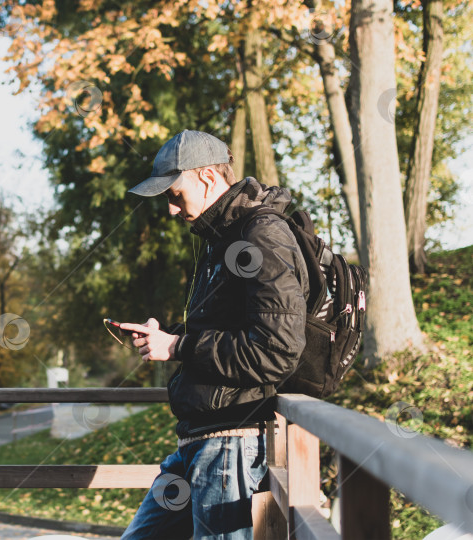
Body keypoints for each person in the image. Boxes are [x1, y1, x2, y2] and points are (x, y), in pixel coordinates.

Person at [119, 130, 308, 539]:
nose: (170, 209)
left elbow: (277, 349)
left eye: (174, 194)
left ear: (205, 177)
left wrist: (178, 346)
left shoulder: (260, 235)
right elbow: (228, 330)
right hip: (198, 441)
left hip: (232, 444)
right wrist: (168, 337)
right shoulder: (220, 238)